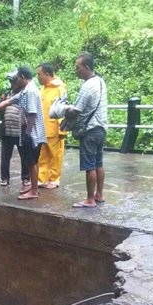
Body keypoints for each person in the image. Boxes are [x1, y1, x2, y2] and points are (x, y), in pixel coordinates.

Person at [0, 66, 46, 200]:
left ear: (22, 77)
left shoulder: (31, 91)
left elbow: (32, 114)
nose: (14, 82)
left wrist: (27, 133)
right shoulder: (26, 90)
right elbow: (9, 101)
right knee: (32, 161)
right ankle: (33, 187)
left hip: (31, 133)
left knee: (31, 162)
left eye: (16, 79)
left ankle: (33, 191)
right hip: (30, 132)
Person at [65, 52, 108, 208]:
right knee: (99, 163)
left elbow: (76, 111)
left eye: (78, 67)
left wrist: (62, 109)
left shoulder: (87, 86)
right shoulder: (100, 81)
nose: (76, 70)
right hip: (101, 129)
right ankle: (99, 195)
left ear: (87, 67)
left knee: (89, 165)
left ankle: (90, 199)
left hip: (89, 131)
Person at [36, 63, 68, 189]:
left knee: (55, 155)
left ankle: (54, 179)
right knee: (42, 155)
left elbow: (62, 109)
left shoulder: (60, 88)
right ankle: (42, 178)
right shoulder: (43, 88)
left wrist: (62, 130)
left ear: (47, 74)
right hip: (42, 128)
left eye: (39, 74)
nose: (37, 77)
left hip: (54, 128)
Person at [0, 70, 30, 186]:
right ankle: (5, 178)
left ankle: (26, 178)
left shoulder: (25, 94)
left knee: (25, 157)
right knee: (5, 157)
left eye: (14, 82)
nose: (12, 84)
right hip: (7, 131)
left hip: (20, 131)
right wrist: (1, 101)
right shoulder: (6, 94)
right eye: (10, 82)